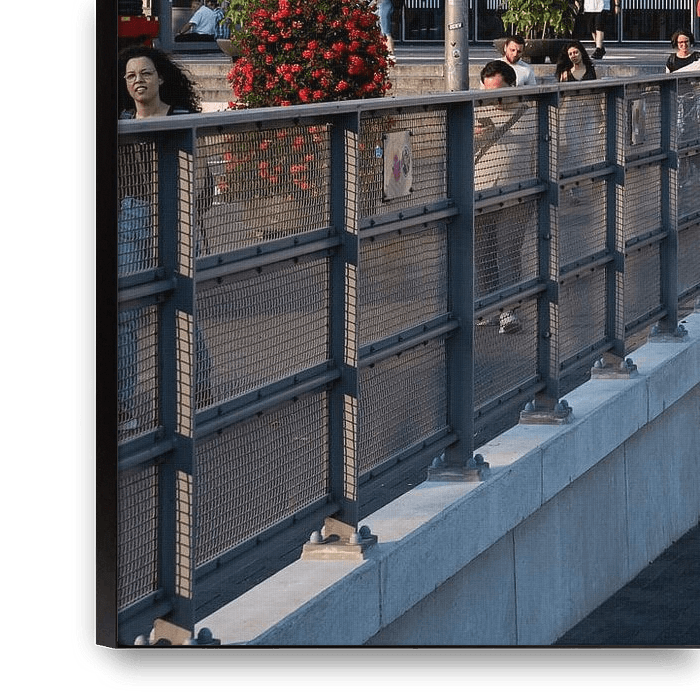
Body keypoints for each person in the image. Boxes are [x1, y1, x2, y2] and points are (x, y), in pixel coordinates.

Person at [118, 47, 212, 431]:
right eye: (130, 76)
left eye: (145, 73)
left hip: (175, 219)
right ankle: (123, 407)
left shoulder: (182, 119)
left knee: (178, 307)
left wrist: (184, 213)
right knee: (125, 309)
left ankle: (198, 388)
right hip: (132, 219)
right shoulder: (121, 124)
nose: (138, 80)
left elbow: (202, 179)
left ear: (160, 78)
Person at [474, 61, 536, 334]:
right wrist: (472, 136)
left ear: (513, 86)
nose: (494, 100)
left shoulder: (532, 111)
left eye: (499, 93)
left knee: (508, 251)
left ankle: (508, 310)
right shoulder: (475, 110)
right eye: (488, 93)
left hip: (518, 194)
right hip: (481, 192)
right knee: (482, 253)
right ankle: (490, 306)